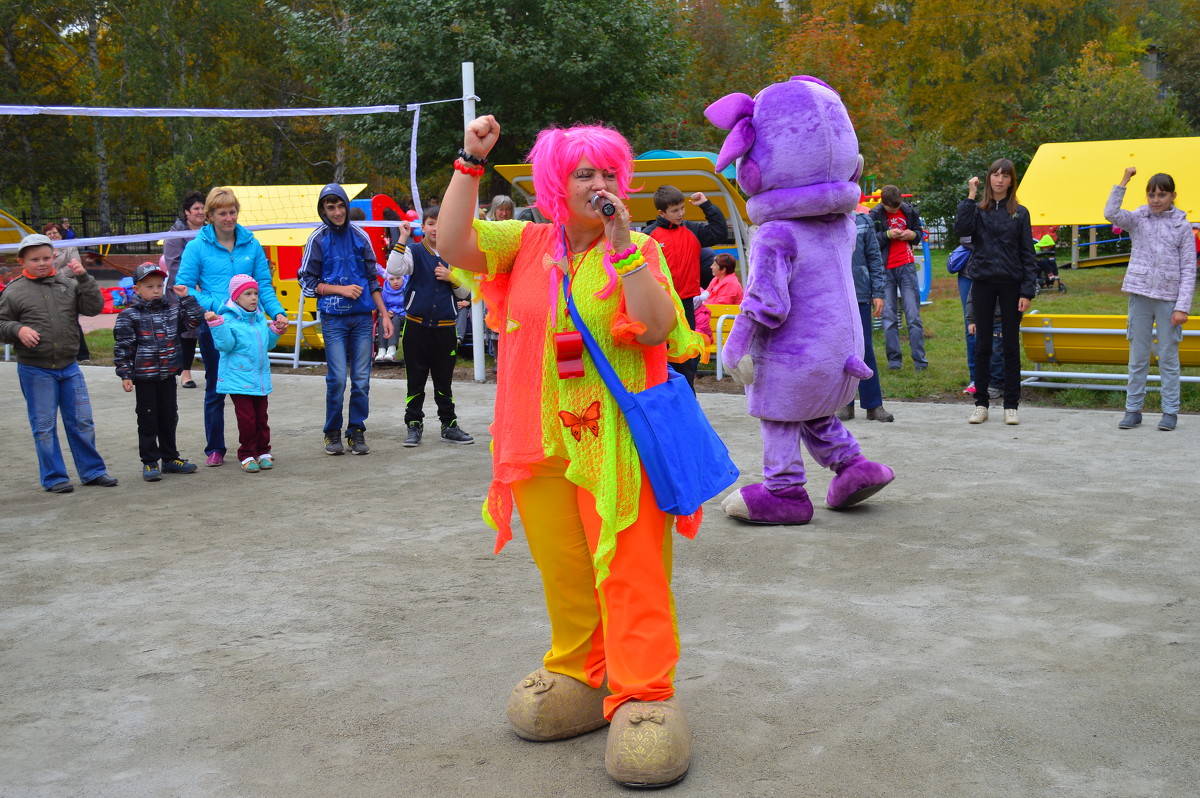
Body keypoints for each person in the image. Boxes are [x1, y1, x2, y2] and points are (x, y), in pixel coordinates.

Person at [438, 116, 706, 788]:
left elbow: (657, 325)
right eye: (583, 173)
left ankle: (643, 694)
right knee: (564, 570)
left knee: (631, 569)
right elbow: (452, 242)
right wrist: (470, 162)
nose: (598, 184)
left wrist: (621, 249)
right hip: (539, 443)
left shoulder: (637, 247)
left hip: (618, 444)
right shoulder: (526, 243)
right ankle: (579, 671)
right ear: (558, 183)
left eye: (609, 173)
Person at [177, 187, 289, 466]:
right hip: (216, 326)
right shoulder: (196, 246)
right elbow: (184, 286)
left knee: (255, 391)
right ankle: (215, 447)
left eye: (232, 212)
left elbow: (263, 284)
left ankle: (259, 447)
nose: (229, 218)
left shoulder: (251, 244)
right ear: (210, 216)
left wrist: (277, 312)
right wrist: (215, 307)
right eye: (222, 213)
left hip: (252, 328)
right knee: (216, 388)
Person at [0, 233, 118, 492]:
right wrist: (17, 329)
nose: (41, 263)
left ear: (54, 256)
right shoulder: (13, 291)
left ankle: (93, 471)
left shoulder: (68, 284)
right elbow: (1, 323)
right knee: (43, 427)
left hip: (69, 366)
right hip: (35, 369)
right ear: (22, 261)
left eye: (45, 257)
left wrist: (84, 278)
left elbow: (94, 307)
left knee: (83, 421)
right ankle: (55, 477)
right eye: (34, 259)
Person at [297, 184, 392, 456]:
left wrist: (384, 315)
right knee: (337, 378)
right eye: (330, 207)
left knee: (361, 379)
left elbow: (373, 280)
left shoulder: (361, 236)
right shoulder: (317, 239)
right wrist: (339, 289)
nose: (337, 212)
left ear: (347, 206)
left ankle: (356, 431)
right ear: (323, 210)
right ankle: (332, 432)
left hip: (363, 319)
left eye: (340, 206)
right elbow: (306, 281)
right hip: (333, 320)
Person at [1105, 167, 1195, 431]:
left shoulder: (1182, 226)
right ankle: (1133, 410)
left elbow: (1189, 269)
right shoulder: (1137, 219)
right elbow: (1111, 213)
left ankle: (1170, 412)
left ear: (1172, 196)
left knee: (1168, 357)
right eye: (1151, 195)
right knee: (1138, 357)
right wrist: (1123, 181)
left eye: (1162, 195)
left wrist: (1182, 307)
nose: (1156, 200)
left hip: (1169, 301)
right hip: (1140, 296)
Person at [956, 159, 1038, 425]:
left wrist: (1026, 291)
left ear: (1012, 181)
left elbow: (1028, 254)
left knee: (1010, 346)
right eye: (995, 175)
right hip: (982, 283)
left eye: (1005, 176)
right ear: (988, 179)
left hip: (1011, 285)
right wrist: (971, 195)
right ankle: (981, 403)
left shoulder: (1020, 213)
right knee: (983, 346)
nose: (1000, 180)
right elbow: (962, 228)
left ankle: (1011, 404)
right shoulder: (978, 210)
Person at [386, 206, 474, 447]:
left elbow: (467, 292)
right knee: (415, 379)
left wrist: (452, 277)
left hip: (445, 329)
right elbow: (393, 269)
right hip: (416, 327)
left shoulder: (455, 254)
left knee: (443, 380)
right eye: (431, 223)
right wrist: (402, 238)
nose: (436, 228)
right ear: (422, 227)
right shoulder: (414, 251)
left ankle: (449, 425)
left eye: (440, 223)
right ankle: (413, 425)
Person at [112, 263, 204, 481]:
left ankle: (170, 459)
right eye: (150, 286)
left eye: (159, 285)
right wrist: (125, 374)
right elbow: (123, 347)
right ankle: (150, 462)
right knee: (147, 419)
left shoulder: (172, 310)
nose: (155, 290)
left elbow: (195, 320)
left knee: (169, 416)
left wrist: (187, 298)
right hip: (144, 378)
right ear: (136, 289)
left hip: (168, 375)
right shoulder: (129, 316)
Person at [642, 185, 728, 389]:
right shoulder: (649, 236)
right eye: (674, 210)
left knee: (686, 359)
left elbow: (719, 232)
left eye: (682, 208)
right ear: (661, 213)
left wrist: (706, 205)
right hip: (658, 307)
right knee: (659, 358)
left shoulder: (692, 229)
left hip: (686, 304)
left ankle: (688, 402)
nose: (680, 213)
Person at [204, 275, 287, 472]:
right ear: (236, 298)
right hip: (238, 379)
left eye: (256, 294)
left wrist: (275, 330)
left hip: (259, 378)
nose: (253, 298)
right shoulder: (228, 320)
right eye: (248, 294)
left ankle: (263, 450)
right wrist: (217, 325)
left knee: (261, 418)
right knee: (247, 419)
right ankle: (247, 453)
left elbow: (268, 344)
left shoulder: (259, 318)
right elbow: (225, 345)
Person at [837, 206, 894, 422]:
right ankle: (844, 404)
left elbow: (874, 258)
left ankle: (874, 406)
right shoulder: (824, 221)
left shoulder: (862, 221)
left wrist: (878, 292)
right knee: (840, 350)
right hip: (834, 297)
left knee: (864, 348)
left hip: (859, 294)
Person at [869, 185, 926, 371]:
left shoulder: (908, 210)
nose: (895, 211)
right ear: (883, 203)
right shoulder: (874, 214)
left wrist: (912, 235)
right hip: (885, 269)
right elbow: (869, 240)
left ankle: (920, 361)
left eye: (897, 207)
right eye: (891, 209)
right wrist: (887, 234)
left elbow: (919, 232)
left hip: (907, 267)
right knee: (889, 317)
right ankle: (894, 361)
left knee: (913, 316)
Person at [163, 191, 207, 390]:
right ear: (186, 213)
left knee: (213, 329)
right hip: (182, 291)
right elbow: (174, 266)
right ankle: (185, 373)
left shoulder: (210, 231)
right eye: (196, 208)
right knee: (187, 333)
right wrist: (191, 285)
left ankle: (215, 371)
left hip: (207, 291)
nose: (200, 212)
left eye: (203, 208)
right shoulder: (175, 235)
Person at [43, 222, 90, 363]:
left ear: (60, 234)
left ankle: (83, 355)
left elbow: (74, 266)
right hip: (47, 289)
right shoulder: (43, 250)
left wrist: (54, 274)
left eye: (55, 233)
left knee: (72, 319)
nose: (52, 235)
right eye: (49, 233)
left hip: (67, 288)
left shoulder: (70, 247)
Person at [694, 252, 743, 338]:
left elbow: (720, 307)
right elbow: (706, 294)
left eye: (714, 265)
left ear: (723, 269)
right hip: (714, 322)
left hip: (723, 327)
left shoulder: (731, 284)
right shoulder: (716, 279)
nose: (711, 267)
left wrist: (701, 303)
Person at [375, 272, 407, 363]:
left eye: (398, 278)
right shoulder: (385, 291)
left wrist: (395, 313)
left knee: (396, 320)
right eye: (392, 279)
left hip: (403, 315)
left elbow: (408, 306)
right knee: (381, 320)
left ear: (403, 279)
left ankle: (392, 350)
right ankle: (381, 350)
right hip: (389, 315)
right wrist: (384, 313)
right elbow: (383, 305)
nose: (395, 282)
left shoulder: (407, 289)